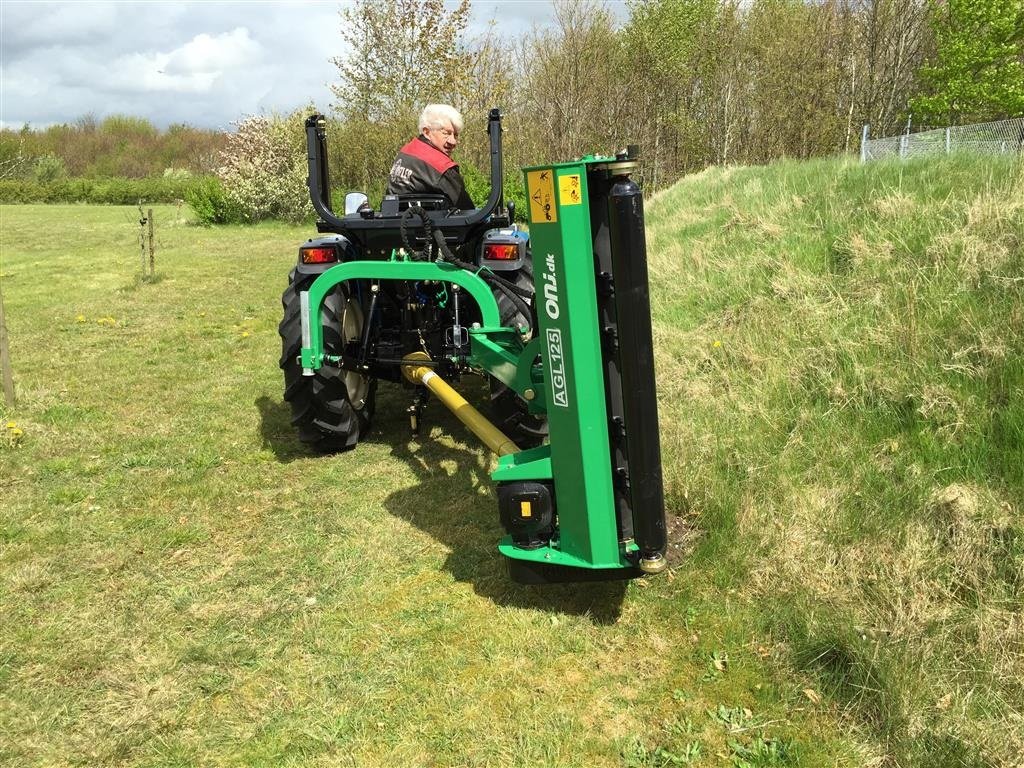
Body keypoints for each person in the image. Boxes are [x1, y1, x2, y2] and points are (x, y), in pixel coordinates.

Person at [387, 104, 475, 211]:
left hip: (397, 221)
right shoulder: (442, 167)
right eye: (446, 133)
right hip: (427, 225)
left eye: (455, 135)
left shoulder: (405, 153)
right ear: (427, 132)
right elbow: (467, 211)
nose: (453, 141)